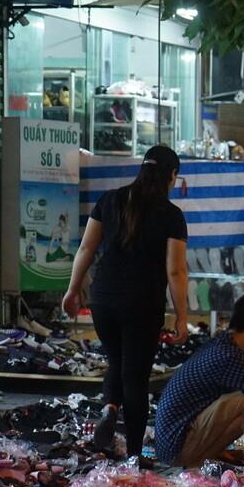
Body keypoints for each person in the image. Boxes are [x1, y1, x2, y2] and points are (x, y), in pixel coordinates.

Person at [62, 145, 189, 468]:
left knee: (116, 359)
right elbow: (175, 270)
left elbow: (86, 248)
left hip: (103, 299)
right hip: (142, 304)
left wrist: (73, 289)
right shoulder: (171, 215)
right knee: (136, 377)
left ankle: (110, 405)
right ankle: (134, 455)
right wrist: (182, 317)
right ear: (172, 175)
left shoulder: (110, 200)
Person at [154, 293, 244, 467]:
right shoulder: (229, 356)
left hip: (168, 444)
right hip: (175, 449)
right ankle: (198, 460)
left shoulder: (220, 343)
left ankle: (208, 453)